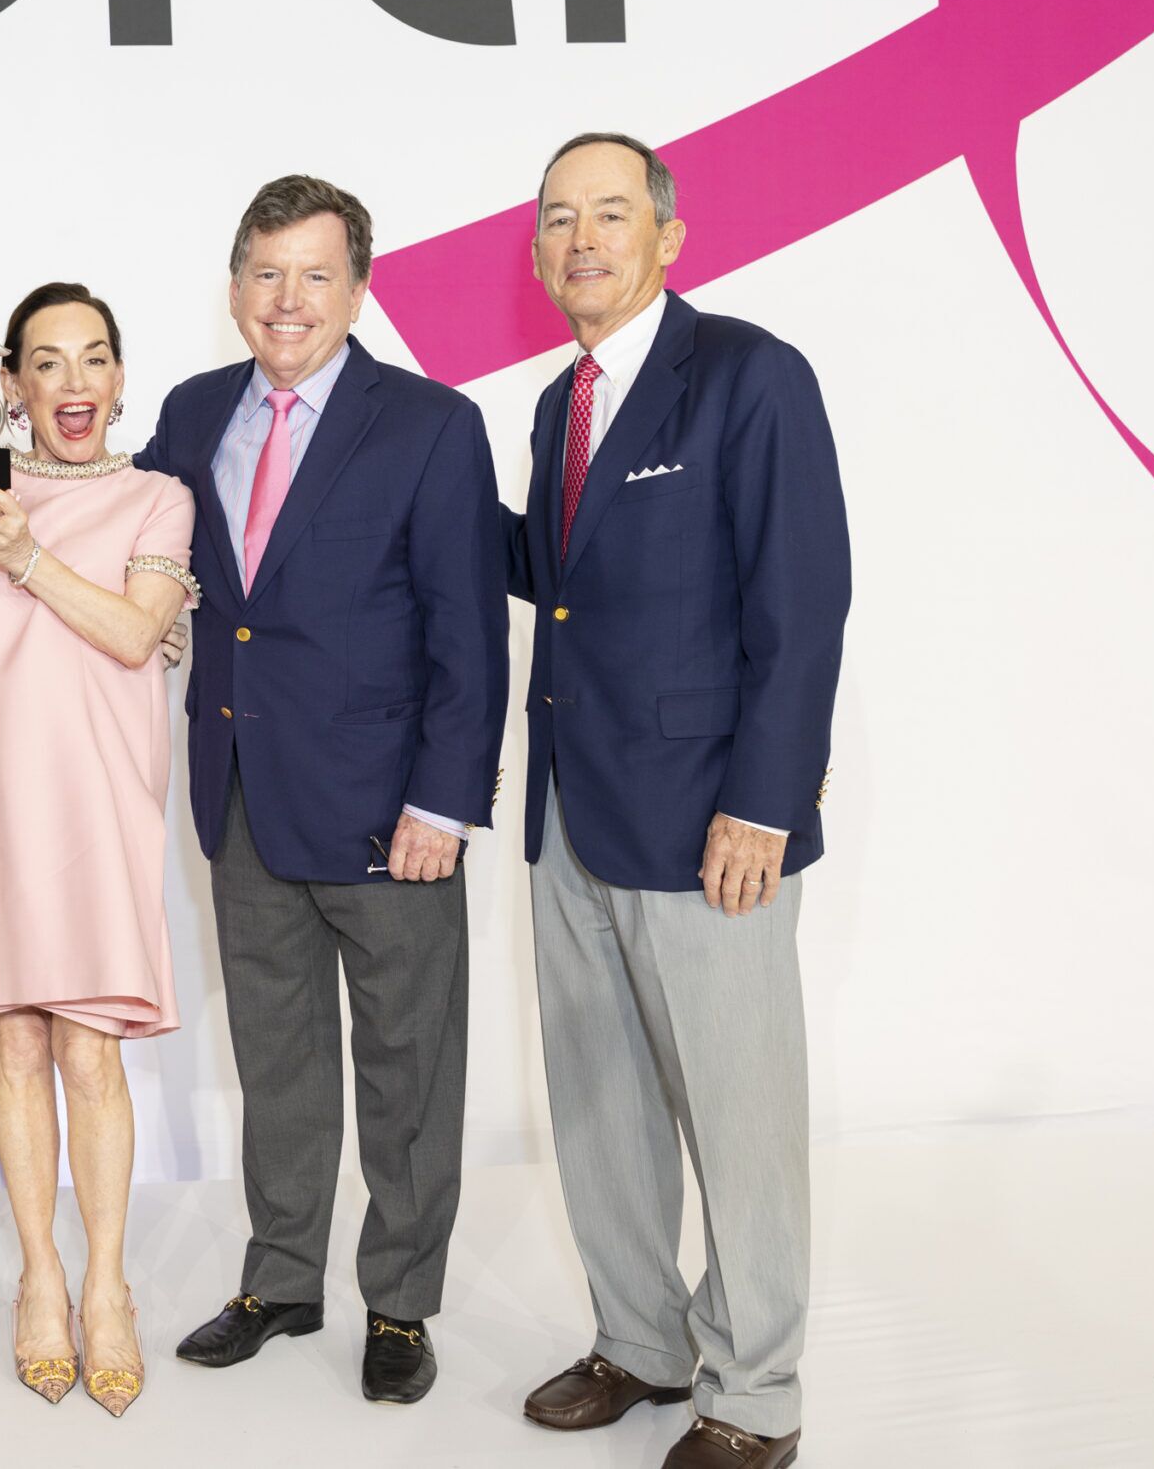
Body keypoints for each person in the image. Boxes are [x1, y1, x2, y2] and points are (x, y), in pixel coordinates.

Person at [503, 134, 847, 1469]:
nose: (580, 240)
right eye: (557, 219)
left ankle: (755, 1395)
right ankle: (641, 1341)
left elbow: (802, 601)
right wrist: (406, 494)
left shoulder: (751, 376)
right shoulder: (560, 403)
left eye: (608, 213)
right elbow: (558, 577)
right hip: (572, 814)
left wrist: (764, 801)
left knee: (739, 1118)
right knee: (599, 1102)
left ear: (667, 236)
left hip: (712, 826)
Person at [137, 175, 507, 1407]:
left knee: (409, 1067)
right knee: (277, 1058)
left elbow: (468, 631)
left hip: (388, 811)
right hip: (244, 795)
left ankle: (399, 1303)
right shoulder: (192, 414)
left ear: (356, 290)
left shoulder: (430, 425)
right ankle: (282, 1280)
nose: (285, 299)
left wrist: (442, 806)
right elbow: (112, 521)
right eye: (264, 273)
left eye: (313, 275)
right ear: (233, 286)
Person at [0, 282, 197, 1418]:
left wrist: (22, 554)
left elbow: (134, 632)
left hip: (96, 801)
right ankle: (41, 1281)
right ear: (13, 383)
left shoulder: (159, 495)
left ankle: (108, 1287)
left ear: (118, 377)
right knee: (13, 1048)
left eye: (94, 358)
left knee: (89, 1053)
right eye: (48, 362)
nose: (74, 381)